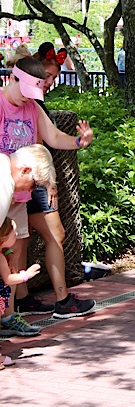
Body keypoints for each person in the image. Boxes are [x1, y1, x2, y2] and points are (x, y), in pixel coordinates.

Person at [0, 57, 97, 319]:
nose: (28, 99)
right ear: (13, 78)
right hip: (4, 189)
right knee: (9, 252)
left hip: (22, 192)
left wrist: (79, 141)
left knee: (15, 250)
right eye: (26, 91)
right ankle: (9, 315)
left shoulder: (32, 106)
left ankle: (10, 314)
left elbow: (53, 137)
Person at [0, 144, 56, 337]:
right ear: (25, 170)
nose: (30, 191)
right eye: (33, 184)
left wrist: (7, 253)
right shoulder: (5, 186)